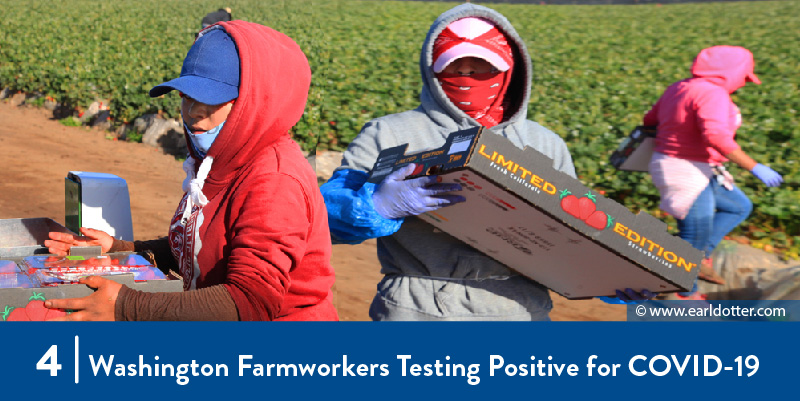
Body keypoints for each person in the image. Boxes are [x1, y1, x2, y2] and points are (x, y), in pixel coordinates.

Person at [321, 3, 649, 321]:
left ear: (509, 70)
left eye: (481, 67)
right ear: (431, 69)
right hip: (417, 309)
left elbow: (573, 231)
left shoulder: (543, 142)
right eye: (453, 67)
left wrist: (608, 275)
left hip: (521, 311)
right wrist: (376, 206)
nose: (466, 76)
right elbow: (324, 220)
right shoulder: (391, 132)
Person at [43, 21, 338, 321]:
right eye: (186, 96)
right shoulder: (218, 160)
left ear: (253, 101)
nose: (194, 110)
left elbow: (250, 302)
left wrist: (127, 306)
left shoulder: (274, 180)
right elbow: (201, 255)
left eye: (211, 98)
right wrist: (120, 250)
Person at [644, 45, 783, 299]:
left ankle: (698, 255)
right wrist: (754, 166)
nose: (742, 85)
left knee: (738, 206)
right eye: (743, 78)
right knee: (693, 236)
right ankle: (684, 295)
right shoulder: (712, 94)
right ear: (730, 72)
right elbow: (716, 136)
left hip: (689, 165)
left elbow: (649, 120)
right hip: (685, 171)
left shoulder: (679, 87)